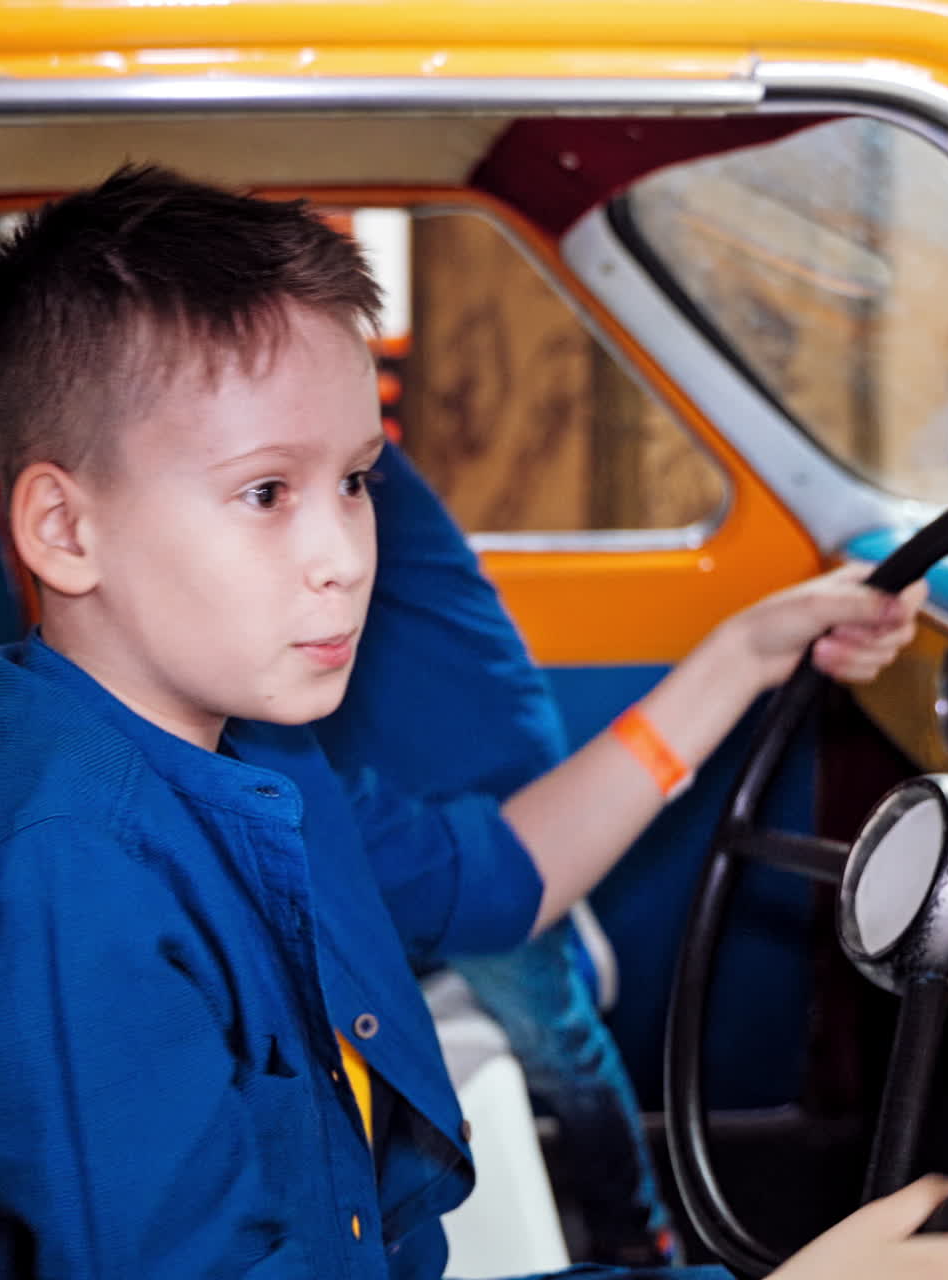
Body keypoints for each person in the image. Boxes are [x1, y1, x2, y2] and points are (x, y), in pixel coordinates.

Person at [0, 165, 948, 1280]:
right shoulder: (55, 877)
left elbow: (502, 878)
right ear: (63, 530)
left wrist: (743, 652)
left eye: (352, 479)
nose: (344, 553)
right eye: (264, 491)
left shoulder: (254, 753)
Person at [316, 439, 680, 1265]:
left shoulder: (334, 472)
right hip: (388, 801)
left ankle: (639, 1232)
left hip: (471, 797)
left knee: (555, 1043)